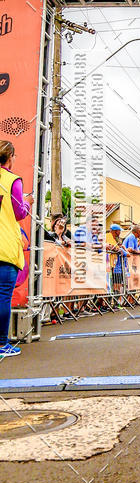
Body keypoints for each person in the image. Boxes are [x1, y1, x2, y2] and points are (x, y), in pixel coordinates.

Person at [0, 140, 33, 356]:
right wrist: (28, 201)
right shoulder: (13, 180)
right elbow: (20, 212)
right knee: (3, 295)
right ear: (10, 157)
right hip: (5, 245)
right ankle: (2, 344)